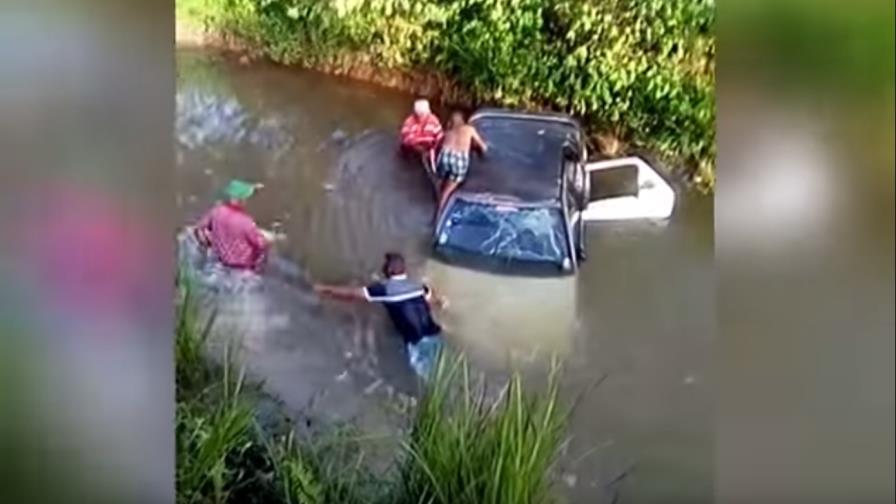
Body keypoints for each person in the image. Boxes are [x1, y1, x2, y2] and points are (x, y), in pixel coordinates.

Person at [314, 252, 446, 379]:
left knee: (427, 381)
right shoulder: (418, 286)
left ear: (388, 269)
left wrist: (322, 289)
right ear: (404, 269)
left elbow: (351, 294)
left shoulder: (384, 289)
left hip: (416, 343)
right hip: (436, 335)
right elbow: (433, 301)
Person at [192, 179, 272, 272]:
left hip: (219, 263)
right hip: (242, 270)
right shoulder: (246, 222)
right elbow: (260, 245)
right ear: (242, 200)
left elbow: (200, 228)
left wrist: (208, 241)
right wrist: (268, 240)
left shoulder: (217, 211)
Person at [435, 109, 487, 216]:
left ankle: (438, 193)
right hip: (459, 158)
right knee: (448, 191)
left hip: (445, 155)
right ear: (464, 120)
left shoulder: (448, 132)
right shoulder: (469, 129)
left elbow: (439, 145)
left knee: (441, 181)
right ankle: (439, 214)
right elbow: (483, 147)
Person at [399, 99, 443, 174]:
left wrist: (432, 148)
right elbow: (406, 138)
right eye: (419, 114)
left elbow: (439, 137)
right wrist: (418, 148)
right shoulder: (409, 121)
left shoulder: (434, 121)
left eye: (423, 114)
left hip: (429, 147)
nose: (421, 117)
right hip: (414, 146)